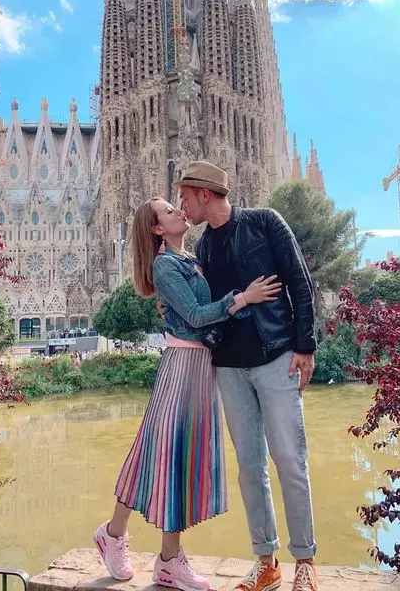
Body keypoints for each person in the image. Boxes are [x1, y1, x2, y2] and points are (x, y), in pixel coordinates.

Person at [94, 197, 282, 591]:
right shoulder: (165, 265)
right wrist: (243, 298)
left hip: (200, 365)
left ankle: (116, 535)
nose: (178, 211)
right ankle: (166, 559)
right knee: (172, 455)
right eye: (167, 211)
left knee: (157, 452)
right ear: (157, 229)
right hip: (182, 365)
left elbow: (197, 309)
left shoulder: (191, 259)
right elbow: (197, 315)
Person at [175, 161, 319, 591]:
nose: (183, 205)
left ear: (204, 194)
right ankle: (266, 562)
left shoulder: (264, 223)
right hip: (230, 366)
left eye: (186, 197)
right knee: (249, 467)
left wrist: (305, 346)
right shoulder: (203, 247)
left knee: (290, 459)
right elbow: (205, 308)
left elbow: (299, 282)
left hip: (276, 355)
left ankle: (305, 561)